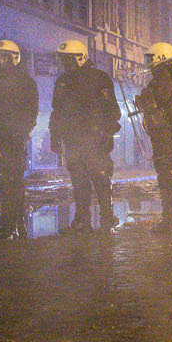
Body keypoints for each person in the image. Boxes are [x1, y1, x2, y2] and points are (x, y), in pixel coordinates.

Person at [49, 39, 121, 231]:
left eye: (69, 59)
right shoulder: (62, 81)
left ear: (81, 58)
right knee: (79, 180)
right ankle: (82, 219)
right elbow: (57, 112)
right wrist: (54, 136)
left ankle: (107, 216)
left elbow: (112, 110)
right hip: (73, 140)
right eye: (63, 60)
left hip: (95, 140)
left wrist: (106, 133)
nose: (65, 64)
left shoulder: (99, 78)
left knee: (101, 178)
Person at [0, 39, 40, 237]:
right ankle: (12, 221)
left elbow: (31, 111)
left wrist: (22, 131)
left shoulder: (25, 83)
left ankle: (13, 221)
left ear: (14, 58)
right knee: (5, 182)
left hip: (14, 139)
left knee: (13, 180)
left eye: (2, 57)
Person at [138, 42, 172, 233]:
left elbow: (166, 110)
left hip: (167, 139)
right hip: (167, 138)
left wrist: (147, 102)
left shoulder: (164, 80)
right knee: (170, 180)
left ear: (160, 58)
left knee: (169, 180)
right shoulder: (168, 79)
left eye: (151, 58)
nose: (148, 63)